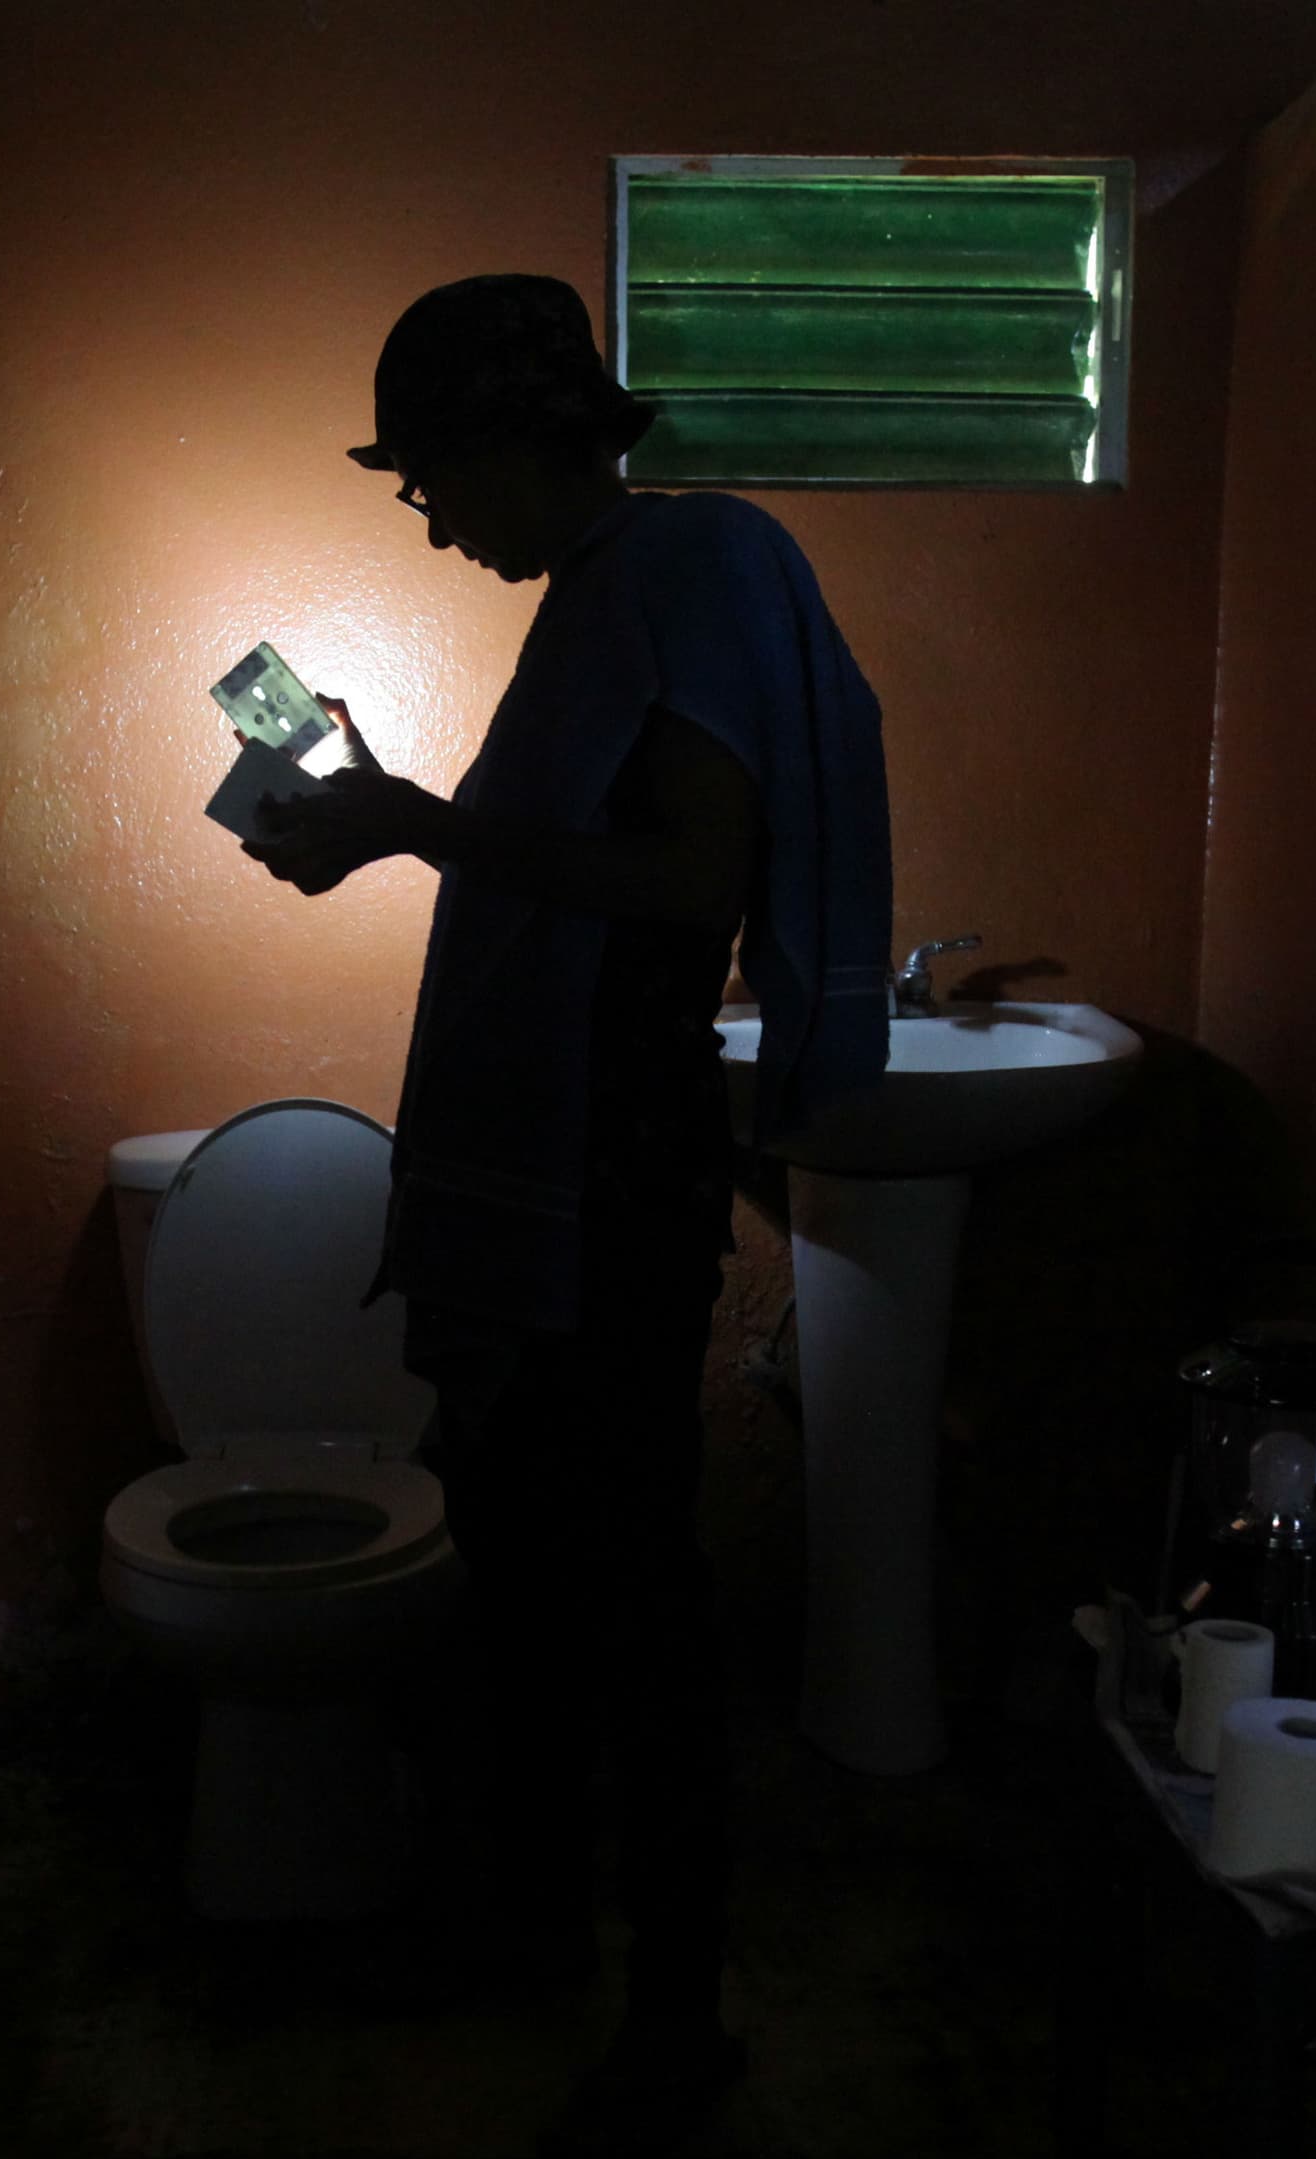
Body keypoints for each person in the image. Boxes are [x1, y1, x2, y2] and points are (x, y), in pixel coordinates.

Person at [237, 272, 891, 2159]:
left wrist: (417, 827)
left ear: (534, 441)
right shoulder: (607, 601)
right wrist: (385, 811)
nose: (429, 517)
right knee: (533, 1573)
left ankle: (676, 2021)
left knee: (626, 1592)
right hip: (558, 1161)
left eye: (435, 474)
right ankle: (527, 1932)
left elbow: (686, 876)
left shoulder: (679, 571)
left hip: (610, 1162)